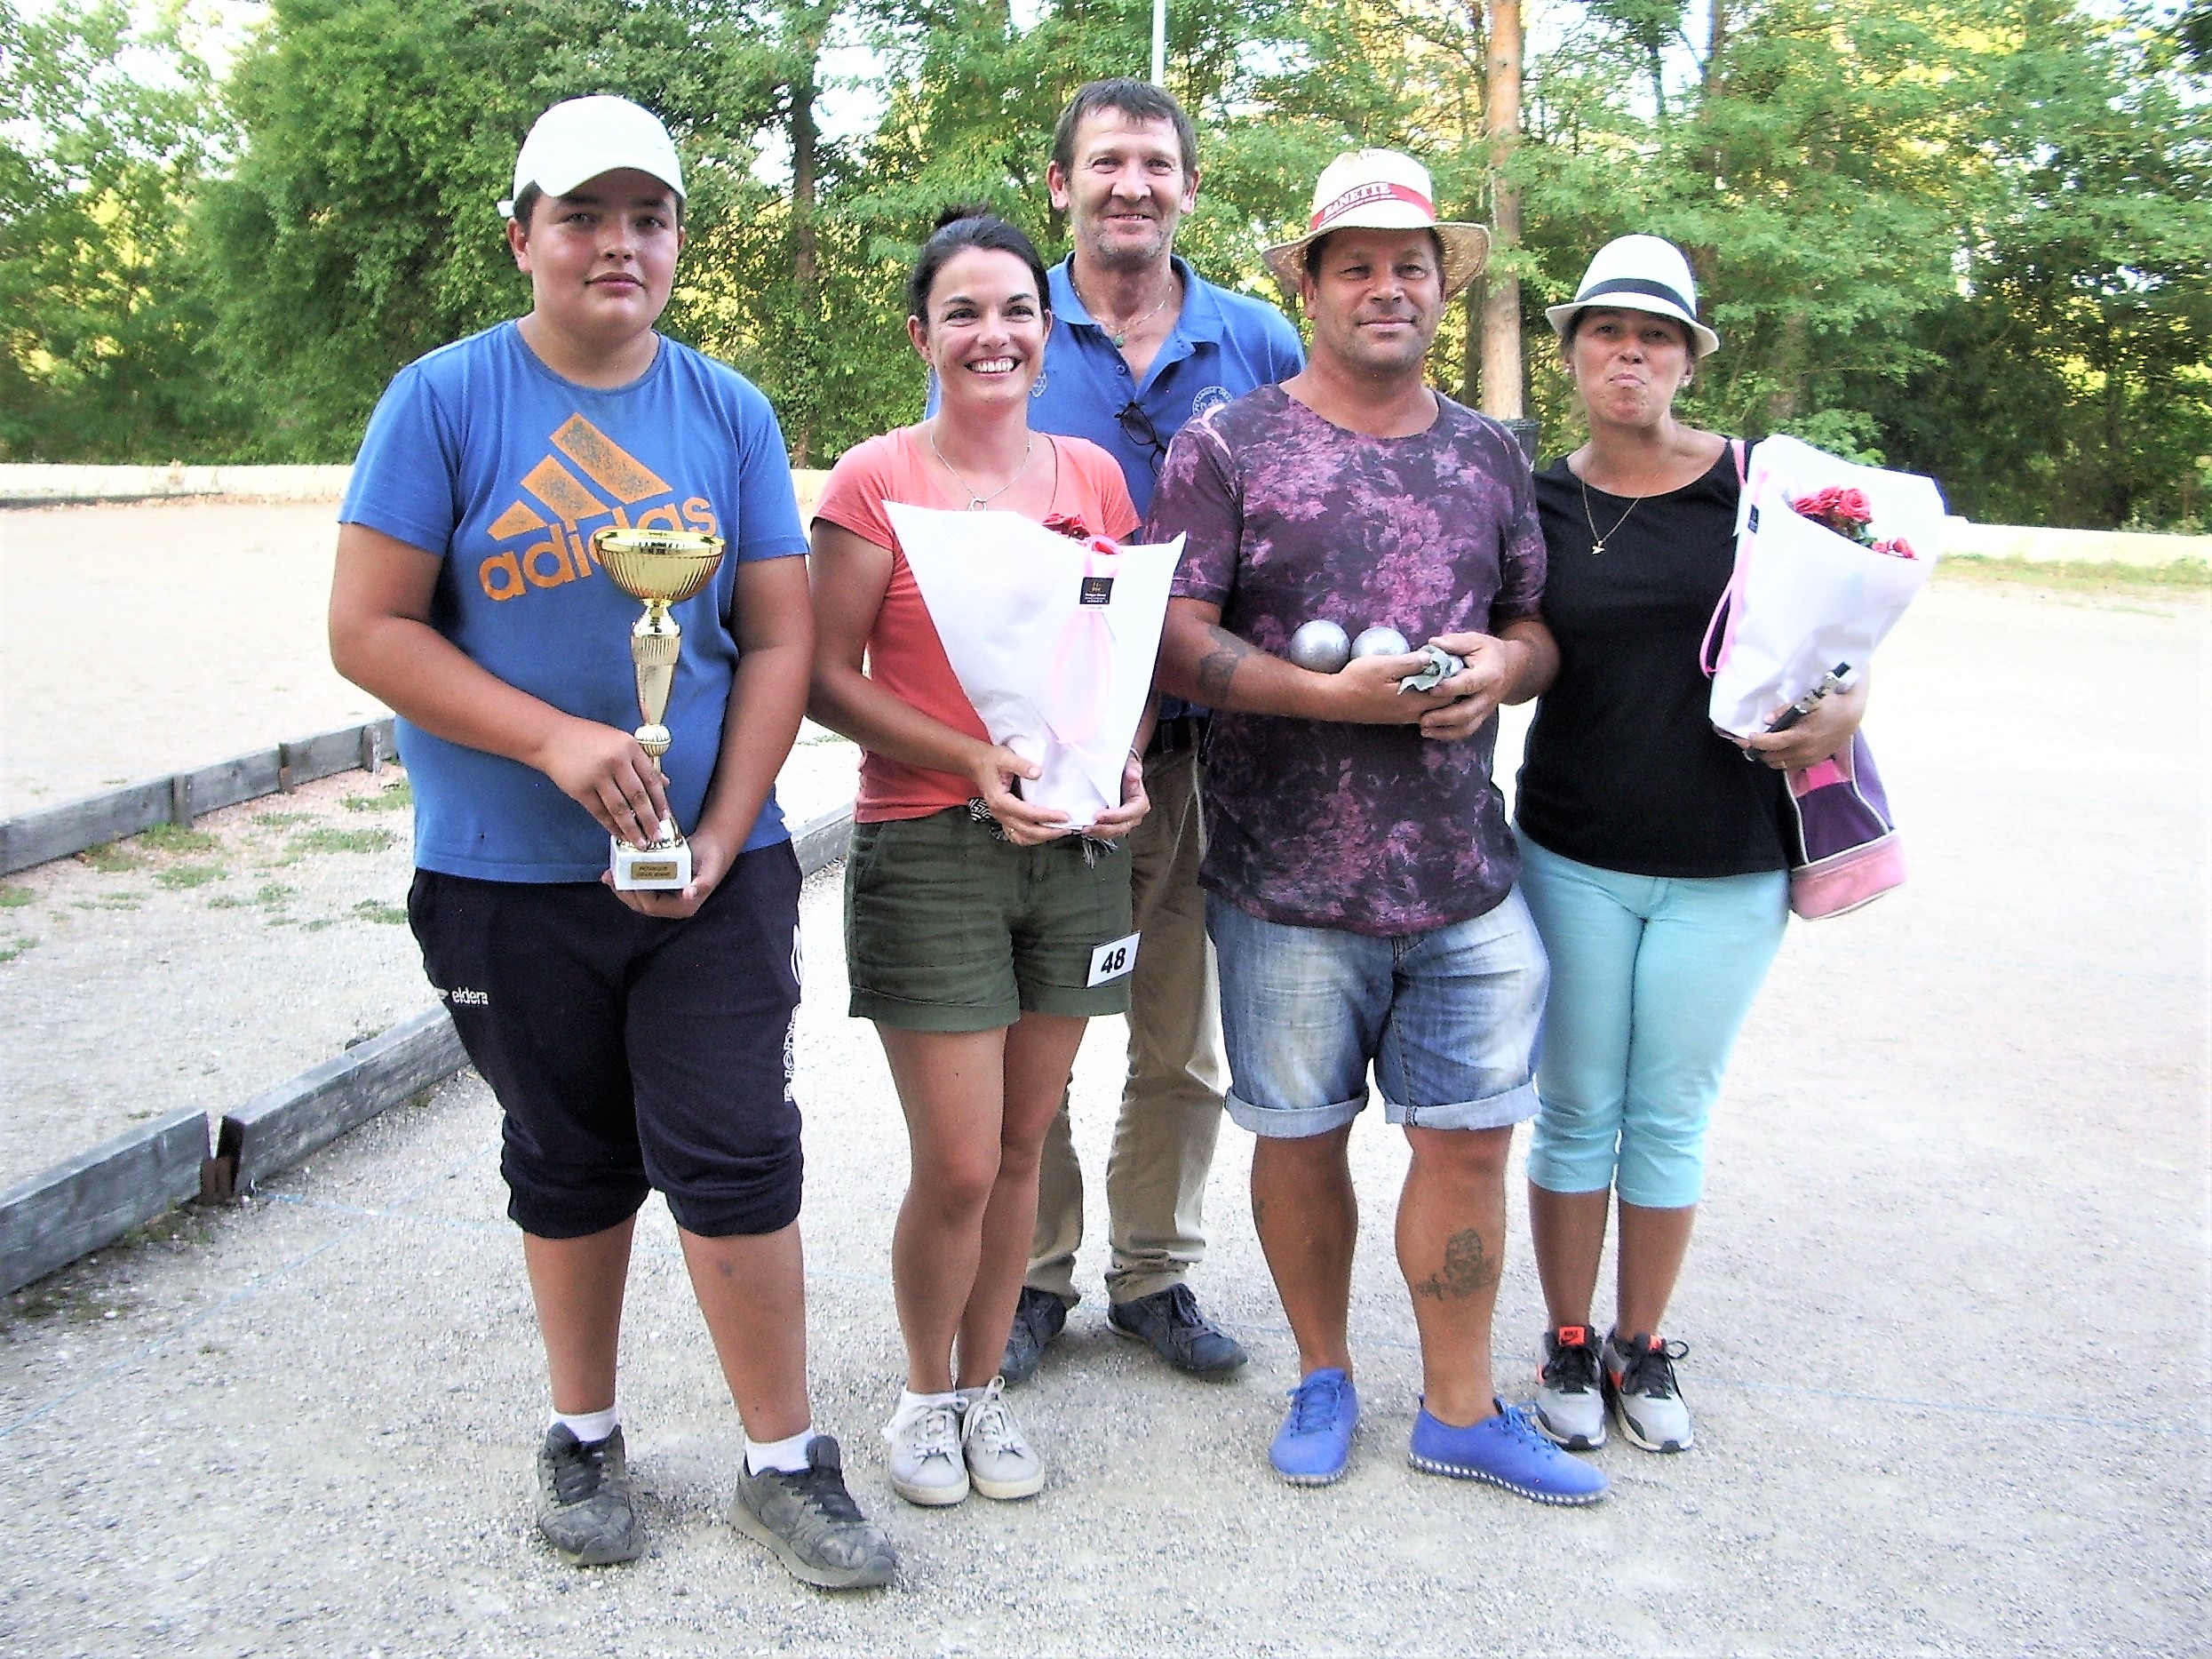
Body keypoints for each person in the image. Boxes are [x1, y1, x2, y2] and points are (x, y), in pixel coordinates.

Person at [327, 97, 895, 1587]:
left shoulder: (727, 410)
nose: (617, 244)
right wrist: (555, 739)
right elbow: (367, 630)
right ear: (524, 236)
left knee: (734, 1146)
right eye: (583, 216)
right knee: (564, 1159)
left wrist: (718, 830)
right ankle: (582, 1434)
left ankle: (785, 1461)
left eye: (648, 217)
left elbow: (775, 640)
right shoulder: (441, 400)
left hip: (714, 872)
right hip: (504, 872)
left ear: (678, 243)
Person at [1150, 149, 1604, 1504]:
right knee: (1298, 1135)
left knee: (1468, 1139)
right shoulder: (1226, 444)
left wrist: (1499, 673)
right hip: (1281, 877)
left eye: (1411, 264)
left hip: (1462, 872)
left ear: (1438, 286)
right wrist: (1324, 698)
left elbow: (1535, 628)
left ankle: (1459, 1407)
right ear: (1308, 281)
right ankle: (1322, 1373)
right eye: (1357, 264)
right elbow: (1168, 639)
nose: (1387, 286)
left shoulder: (1486, 451)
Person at [807, 209, 1149, 1508]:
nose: (991, 333)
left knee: (1021, 1145)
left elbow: (1112, 663)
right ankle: (923, 1391)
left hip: (1069, 853)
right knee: (953, 1160)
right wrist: (964, 764)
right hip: (927, 844)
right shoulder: (871, 479)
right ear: (921, 335)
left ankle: (985, 1389)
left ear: (1046, 334)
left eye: (1014, 309)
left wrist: (1114, 763)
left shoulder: (1092, 482)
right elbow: (825, 681)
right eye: (962, 312)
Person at [1518, 235, 1867, 1456]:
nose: (1629, 354)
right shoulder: (1534, 494)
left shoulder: (1765, 485)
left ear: (1686, 359)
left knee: (1667, 1111)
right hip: (1569, 849)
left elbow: (1853, 623)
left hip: (1728, 856)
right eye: (1606, 331)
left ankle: (1640, 1343)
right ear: (1569, 353)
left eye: (1654, 335)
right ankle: (1566, 1339)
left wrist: (1847, 701)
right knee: (1573, 1108)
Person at [999, 78, 1307, 1385]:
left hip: (1193, 758)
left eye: (1156, 164)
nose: (1132, 184)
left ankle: (1153, 1274)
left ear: (1188, 187)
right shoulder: (1008, 323)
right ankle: (1027, 1274)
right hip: (1035, 756)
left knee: (1178, 1038)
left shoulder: (1257, 340)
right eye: (1106, 161)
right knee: (1030, 1034)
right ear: (1060, 183)